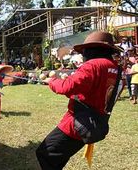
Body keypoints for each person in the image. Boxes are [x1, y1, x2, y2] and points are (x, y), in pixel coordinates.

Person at [36, 31, 123, 170]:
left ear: (92, 49)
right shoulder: (117, 69)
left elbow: (67, 87)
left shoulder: (93, 65)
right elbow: (94, 90)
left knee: (45, 152)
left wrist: (52, 81)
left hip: (77, 123)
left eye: (85, 50)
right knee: (59, 155)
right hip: (96, 123)